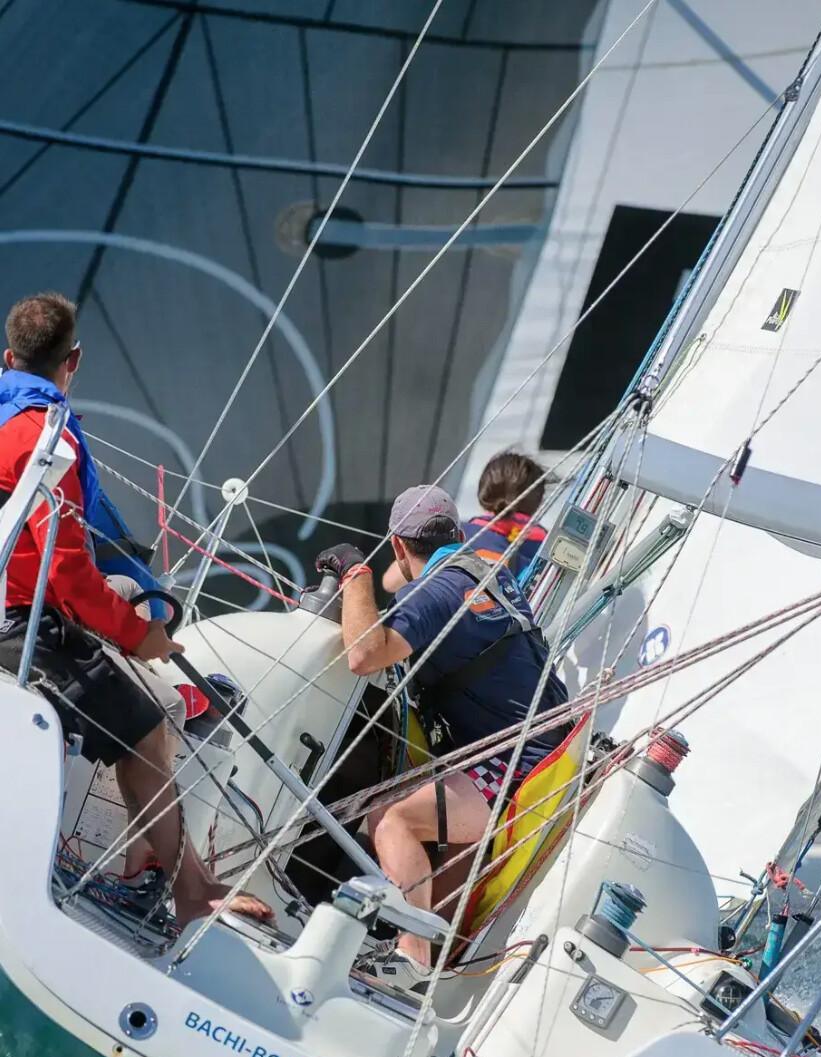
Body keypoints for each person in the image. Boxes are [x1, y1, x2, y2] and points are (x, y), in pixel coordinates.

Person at [0, 292, 272, 927]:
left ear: (8, 358)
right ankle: (193, 892)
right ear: (75, 360)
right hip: (16, 624)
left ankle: (153, 868)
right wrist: (139, 636)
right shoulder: (46, 438)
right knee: (146, 726)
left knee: (135, 706)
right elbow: (64, 573)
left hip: (18, 615)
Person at [316, 485, 568, 989]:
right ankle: (432, 962)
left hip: (522, 762)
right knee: (430, 841)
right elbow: (402, 575)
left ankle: (412, 960)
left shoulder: (440, 592)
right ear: (457, 533)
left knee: (390, 821)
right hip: (545, 745)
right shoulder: (478, 571)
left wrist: (354, 572)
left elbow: (364, 655)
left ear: (397, 545)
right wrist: (390, 567)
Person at [381, 451, 548, 594]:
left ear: (483, 492)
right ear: (538, 501)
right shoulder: (549, 545)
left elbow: (390, 583)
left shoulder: (453, 533)